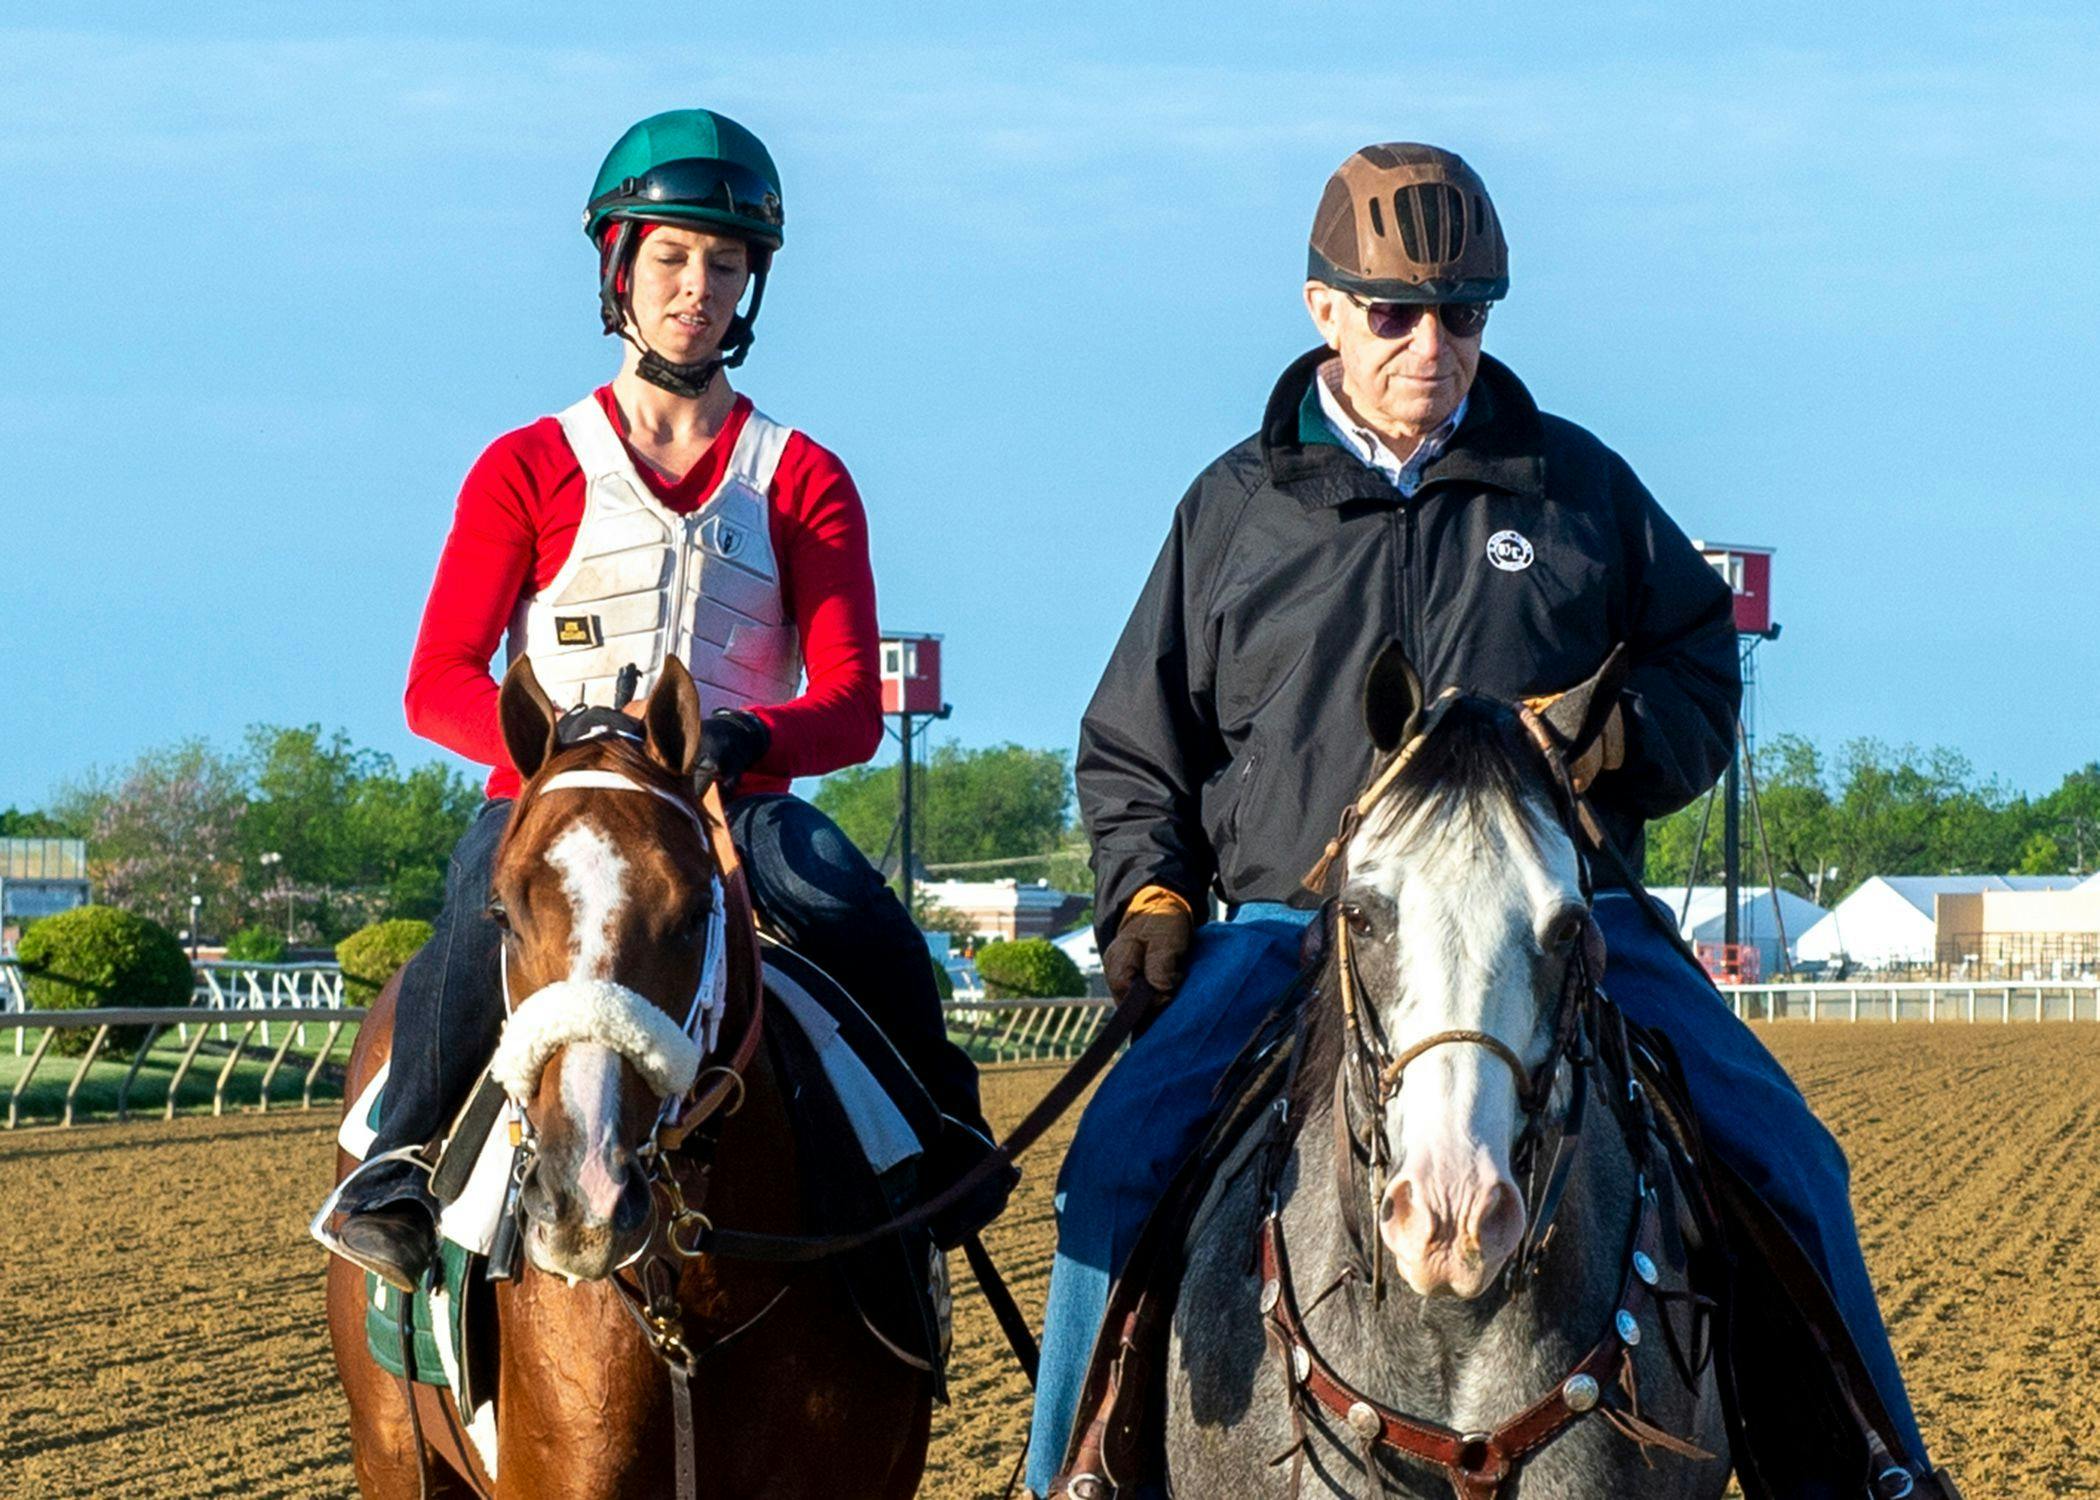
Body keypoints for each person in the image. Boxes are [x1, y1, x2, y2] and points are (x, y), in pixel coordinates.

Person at [1027, 144, 1955, 1499]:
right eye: (1397, 313)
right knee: (1110, 1164)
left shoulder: (1574, 487)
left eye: (1464, 315)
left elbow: (1699, 662)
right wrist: (1150, 897)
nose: (1433, 345)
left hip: (1559, 917)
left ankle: (1881, 1469)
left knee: (1792, 1156)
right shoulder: (1232, 511)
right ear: (1322, 309)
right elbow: (1132, 744)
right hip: (1299, 921)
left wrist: (1620, 739)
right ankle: (1067, 1473)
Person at [317, 108, 1009, 1291]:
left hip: (731, 807)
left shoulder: (805, 477)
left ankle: (944, 1138)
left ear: (752, 285)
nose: (699, 288)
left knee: (858, 910)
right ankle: (394, 1165)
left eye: (726, 264)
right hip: (557, 801)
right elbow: (435, 683)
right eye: (674, 258)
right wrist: (557, 763)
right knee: (462, 932)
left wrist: (749, 735)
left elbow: (847, 703)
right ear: (619, 269)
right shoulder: (524, 465)